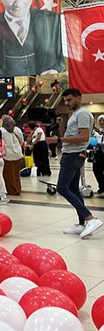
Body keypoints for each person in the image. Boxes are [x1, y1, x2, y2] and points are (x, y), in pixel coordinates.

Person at [46, 88, 103, 238]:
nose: (67, 103)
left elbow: (84, 137)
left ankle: (90, 218)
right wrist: (61, 126)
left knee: (62, 188)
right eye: (65, 100)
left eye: (69, 100)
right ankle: (82, 223)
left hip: (73, 155)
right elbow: (71, 135)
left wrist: (58, 140)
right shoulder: (76, 115)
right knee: (74, 189)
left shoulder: (83, 113)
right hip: (72, 154)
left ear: (79, 98)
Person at [0, 0, 64, 78]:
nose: (19, 3)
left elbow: (58, 58)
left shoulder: (50, 21)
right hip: (6, 88)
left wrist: (55, 70)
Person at [0, 115, 24, 195]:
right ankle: (17, 189)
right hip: (17, 154)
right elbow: (21, 141)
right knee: (16, 174)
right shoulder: (17, 130)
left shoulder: (1, 131)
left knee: (8, 174)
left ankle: (11, 190)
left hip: (7, 156)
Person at [92, 115, 104, 194]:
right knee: (96, 170)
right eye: (100, 120)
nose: (101, 122)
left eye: (103, 120)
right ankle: (102, 186)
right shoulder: (95, 132)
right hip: (97, 154)